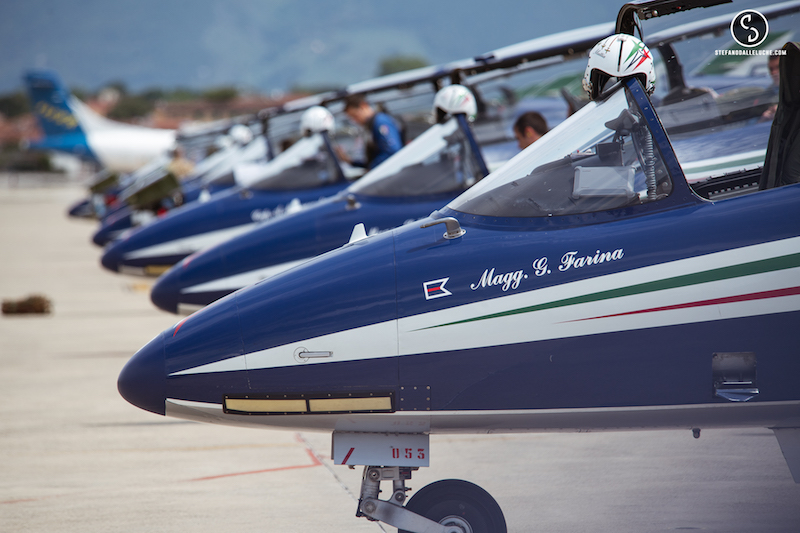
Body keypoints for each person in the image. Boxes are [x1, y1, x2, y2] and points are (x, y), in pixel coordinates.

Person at [342, 94, 404, 169]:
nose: (355, 121)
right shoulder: (371, 126)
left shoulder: (380, 122)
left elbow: (392, 151)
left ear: (363, 106)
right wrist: (350, 161)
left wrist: (372, 168)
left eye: (355, 116)